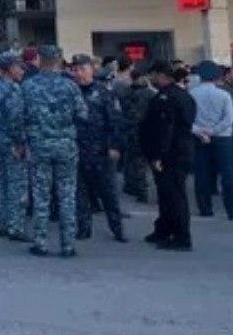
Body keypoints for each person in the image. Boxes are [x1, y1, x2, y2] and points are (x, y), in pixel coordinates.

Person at [22, 45, 88, 258]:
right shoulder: (70, 87)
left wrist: (21, 141)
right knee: (67, 195)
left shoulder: (28, 86)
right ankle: (67, 245)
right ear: (59, 60)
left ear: (40, 59)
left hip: (39, 145)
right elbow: (83, 114)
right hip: (65, 145)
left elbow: (18, 117)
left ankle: (40, 243)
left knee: (41, 195)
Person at [69, 54, 127, 242]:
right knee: (80, 194)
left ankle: (117, 229)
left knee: (109, 193)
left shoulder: (104, 93)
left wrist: (115, 146)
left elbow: (116, 121)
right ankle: (83, 228)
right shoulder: (70, 93)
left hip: (101, 151)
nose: (78, 73)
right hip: (77, 150)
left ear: (91, 70)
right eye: (75, 69)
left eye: (82, 69)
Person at [141, 60, 197, 250]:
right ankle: (164, 230)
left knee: (174, 196)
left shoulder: (168, 98)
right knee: (166, 195)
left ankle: (182, 237)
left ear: (160, 75)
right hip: (179, 151)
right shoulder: (181, 95)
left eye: (153, 76)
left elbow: (166, 130)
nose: (151, 79)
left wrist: (159, 156)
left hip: (171, 155)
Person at [189, 60, 233, 221]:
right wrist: (213, 131)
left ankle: (205, 209)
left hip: (199, 139)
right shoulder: (224, 95)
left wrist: (200, 132)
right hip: (223, 138)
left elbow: (187, 119)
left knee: (202, 175)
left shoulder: (192, 94)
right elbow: (229, 119)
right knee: (228, 176)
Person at [0, 53, 28, 240]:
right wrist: (19, 142)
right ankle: (15, 226)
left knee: (2, 181)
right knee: (16, 183)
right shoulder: (12, 89)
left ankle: (3, 222)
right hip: (11, 140)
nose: (21, 70)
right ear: (8, 69)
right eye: (17, 66)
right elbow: (16, 119)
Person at [119, 65, 154, 203]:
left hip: (130, 131)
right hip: (148, 130)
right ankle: (144, 190)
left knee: (133, 161)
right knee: (149, 162)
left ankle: (136, 188)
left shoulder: (125, 93)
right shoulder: (150, 93)